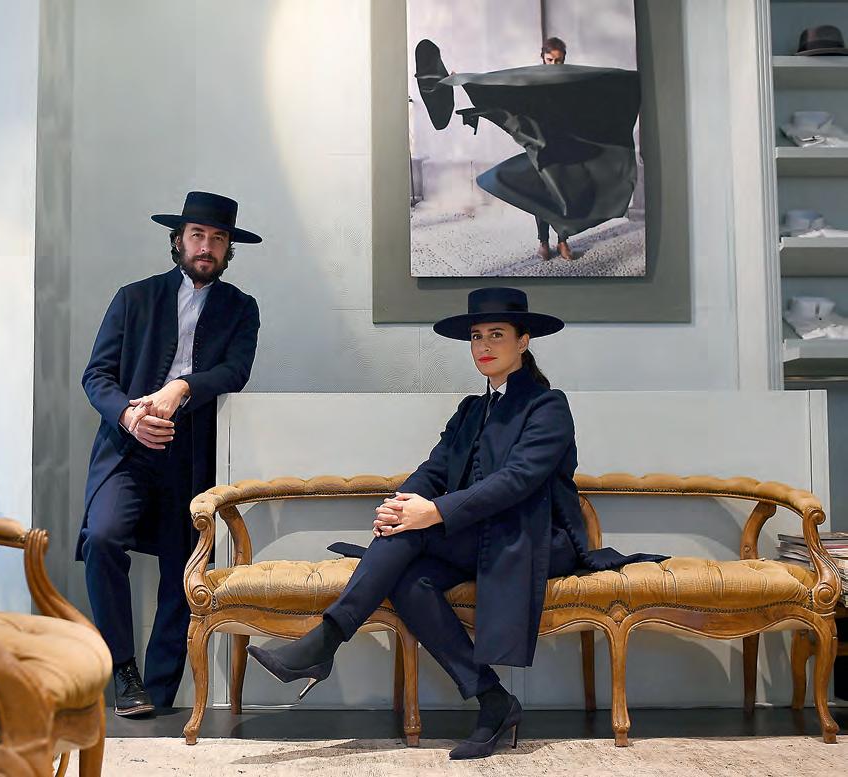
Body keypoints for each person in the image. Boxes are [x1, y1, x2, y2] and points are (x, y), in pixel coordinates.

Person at [247, 287, 665, 759]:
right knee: (410, 579)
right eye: (476, 337)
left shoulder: (548, 405)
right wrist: (400, 503)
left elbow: (517, 480)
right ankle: (493, 700)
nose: (484, 345)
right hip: (479, 538)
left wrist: (433, 512)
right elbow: (434, 469)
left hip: (536, 540)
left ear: (523, 341)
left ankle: (324, 641)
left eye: (497, 334)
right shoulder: (470, 409)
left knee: (414, 532)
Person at [80, 191, 262, 717]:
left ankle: (156, 695)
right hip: (127, 448)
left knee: (182, 570)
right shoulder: (133, 298)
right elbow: (96, 376)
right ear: (178, 240)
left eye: (218, 239)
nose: (207, 247)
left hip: (193, 455)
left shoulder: (241, 308)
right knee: (102, 538)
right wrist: (130, 417)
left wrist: (181, 387)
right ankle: (123, 671)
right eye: (197, 235)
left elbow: (235, 372)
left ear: (228, 249)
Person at [535, 37, 573, 262]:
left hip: (564, 144)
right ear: (542, 58)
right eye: (550, 60)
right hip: (539, 145)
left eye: (558, 61)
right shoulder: (532, 79)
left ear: (564, 59)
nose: (553, 64)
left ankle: (562, 240)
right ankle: (543, 242)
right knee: (541, 194)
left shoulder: (570, 80)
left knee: (563, 192)